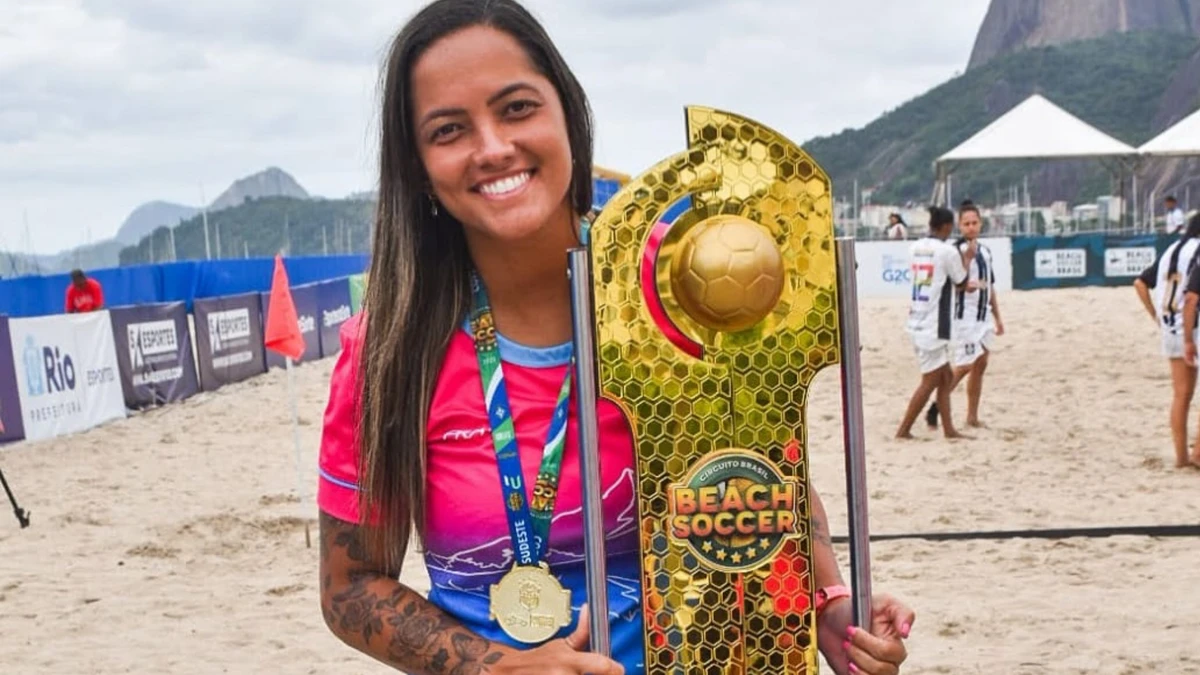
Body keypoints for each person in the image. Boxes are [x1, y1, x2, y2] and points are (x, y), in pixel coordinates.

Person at [315, 2, 915, 674]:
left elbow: (764, 475)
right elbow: (350, 587)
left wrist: (825, 604)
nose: (491, 147)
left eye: (516, 108)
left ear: (569, 116)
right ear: (420, 168)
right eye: (449, 129)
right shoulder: (391, 350)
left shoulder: (680, 289)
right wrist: (491, 665)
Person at [895, 206, 974, 440]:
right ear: (948, 226)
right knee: (930, 381)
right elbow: (961, 282)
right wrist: (967, 258)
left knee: (945, 377)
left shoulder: (915, 247)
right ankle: (904, 429)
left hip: (917, 319)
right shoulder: (947, 251)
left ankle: (949, 429)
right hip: (934, 325)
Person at [924, 201, 1004, 430]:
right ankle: (936, 404)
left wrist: (998, 317)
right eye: (966, 223)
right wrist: (967, 283)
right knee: (965, 365)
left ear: (980, 223)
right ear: (959, 226)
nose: (971, 227)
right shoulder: (954, 252)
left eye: (974, 223)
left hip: (983, 316)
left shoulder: (986, 252)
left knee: (980, 364)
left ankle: (972, 415)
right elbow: (953, 284)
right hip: (963, 318)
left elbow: (990, 287)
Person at [1134, 212, 1200, 469]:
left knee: (1181, 396)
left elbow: (1140, 283)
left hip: (1170, 327)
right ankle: (1197, 454)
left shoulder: (1172, 249)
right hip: (1192, 327)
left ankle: (1181, 458)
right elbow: (1193, 297)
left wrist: (1155, 316)